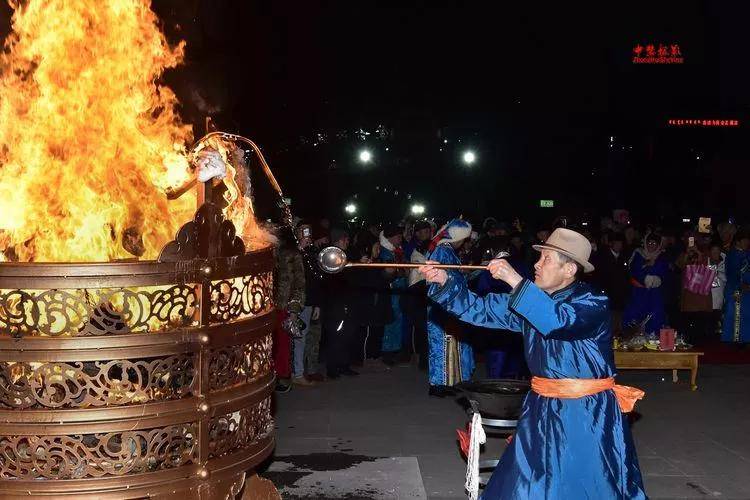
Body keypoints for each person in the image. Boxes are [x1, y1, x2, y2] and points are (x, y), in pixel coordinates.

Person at [419, 227, 646, 499]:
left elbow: (557, 321)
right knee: (526, 481)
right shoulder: (531, 301)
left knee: (583, 483)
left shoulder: (591, 302)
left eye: (546, 259)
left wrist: (515, 280)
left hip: (585, 413)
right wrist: (445, 281)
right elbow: (478, 309)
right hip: (541, 406)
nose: (536, 265)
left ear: (569, 269)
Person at [425, 219, 475, 396]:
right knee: (441, 345)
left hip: (448, 302)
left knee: (451, 343)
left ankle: (449, 381)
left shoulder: (447, 251)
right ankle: (439, 384)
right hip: (443, 304)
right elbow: (436, 280)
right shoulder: (442, 251)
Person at [321, 227, 359, 379]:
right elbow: (333, 281)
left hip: (347, 301)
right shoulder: (331, 256)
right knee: (335, 335)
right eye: (346, 239)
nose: (348, 242)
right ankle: (332, 368)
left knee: (347, 334)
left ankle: (344, 365)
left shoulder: (345, 255)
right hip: (335, 304)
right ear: (340, 240)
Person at [273, 227, 306, 392]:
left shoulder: (292, 255)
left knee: (282, 344)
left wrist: (293, 309)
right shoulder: (267, 253)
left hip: (283, 306)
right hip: (265, 306)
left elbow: (298, 284)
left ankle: (283, 378)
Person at [623, 232, 669, 336]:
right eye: (650, 243)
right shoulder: (638, 253)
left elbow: (662, 271)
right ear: (645, 243)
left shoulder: (661, 256)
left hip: (654, 293)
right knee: (634, 316)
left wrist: (650, 270)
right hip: (638, 292)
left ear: (658, 245)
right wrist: (647, 272)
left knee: (655, 315)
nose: (651, 245)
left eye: (654, 243)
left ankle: (653, 338)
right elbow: (635, 270)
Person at [593, 231, 629, 336]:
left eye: (620, 243)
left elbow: (626, 276)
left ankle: (618, 338)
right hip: (607, 295)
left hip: (620, 296)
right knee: (609, 322)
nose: (619, 246)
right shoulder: (602, 257)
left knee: (619, 321)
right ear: (611, 243)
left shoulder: (623, 257)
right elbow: (598, 277)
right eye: (616, 243)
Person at [722, 229, 750, 345]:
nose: (747, 243)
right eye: (744, 240)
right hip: (736, 288)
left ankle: (745, 339)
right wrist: (741, 285)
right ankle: (733, 340)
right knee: (734, 313)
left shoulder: (748, 254)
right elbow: (732, 273)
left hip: (748, 289)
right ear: (738, 242)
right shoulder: (732, 255)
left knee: (747, 314)